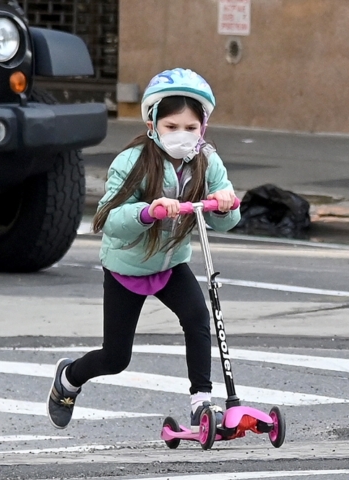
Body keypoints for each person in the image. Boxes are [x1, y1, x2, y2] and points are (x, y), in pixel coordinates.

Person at [46, 68, 241, 431]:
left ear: (203, 129)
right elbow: (108, 219)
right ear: (153, 124)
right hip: (127, 268)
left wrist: (227, 204)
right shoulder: (133, 161)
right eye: (171, 126)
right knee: (116, 357)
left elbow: (222, 222)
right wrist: (147, 211)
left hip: (171, 264)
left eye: (190, 127)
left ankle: (201, 402)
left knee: (198, 319)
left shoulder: (207, 161)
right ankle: (69, 378)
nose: (181, 135)